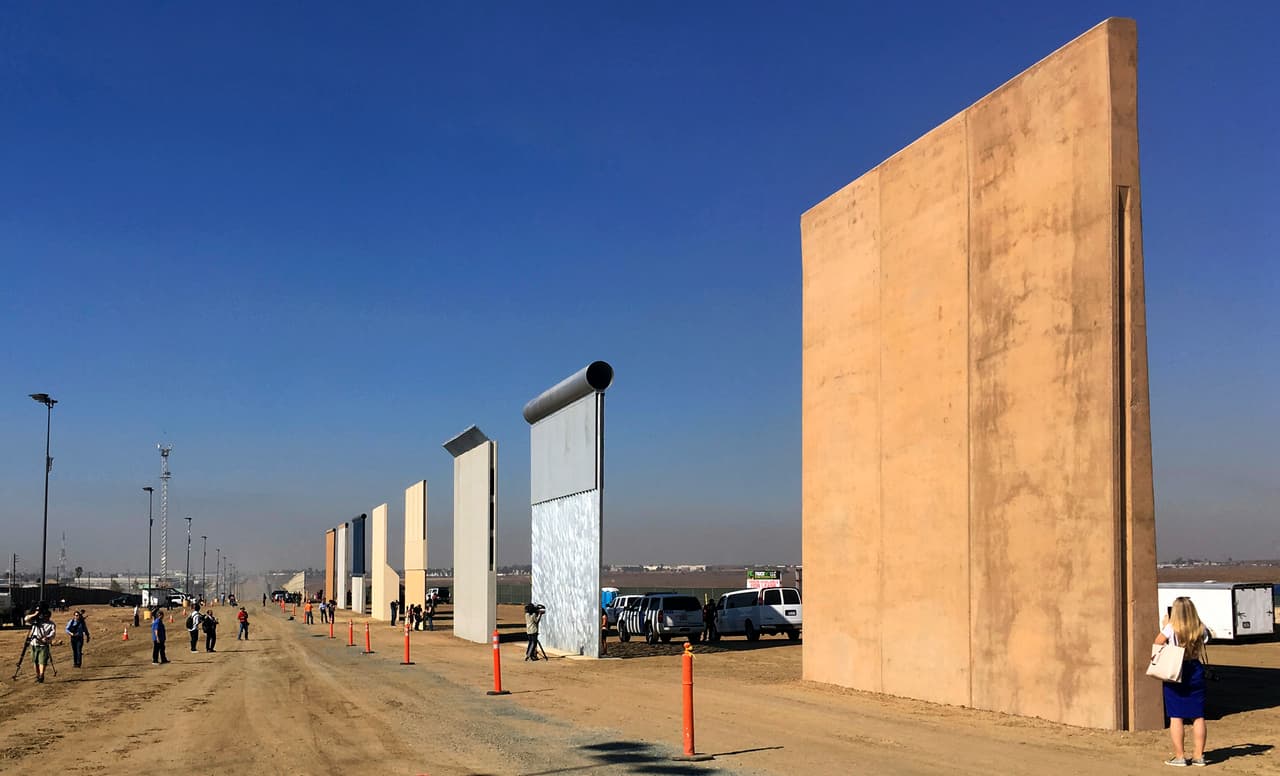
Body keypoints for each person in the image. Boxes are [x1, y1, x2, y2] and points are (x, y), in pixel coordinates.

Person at [1156, 596, 1210, 767]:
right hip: (1195, 669)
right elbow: (1207, 639)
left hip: (1176, 669)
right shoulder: (1200, 627)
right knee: (1198, 715)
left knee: (1176, 715)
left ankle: (1180, 756)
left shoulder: (1171, 628)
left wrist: (1165, 625)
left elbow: (1158, 643)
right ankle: (1198, 755)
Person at [27, 605, 56, 683]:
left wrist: (47, 638)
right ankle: (37, 675)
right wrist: (35, 614)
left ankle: (41, 675)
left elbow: (53, 634)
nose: (45, 617)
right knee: (35, 661)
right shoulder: (36, 621)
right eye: (44, 616)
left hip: (43, 645)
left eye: (47, 616)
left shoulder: (51, 624)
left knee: (42, 661)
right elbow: (26, 619)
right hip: (34, 644)